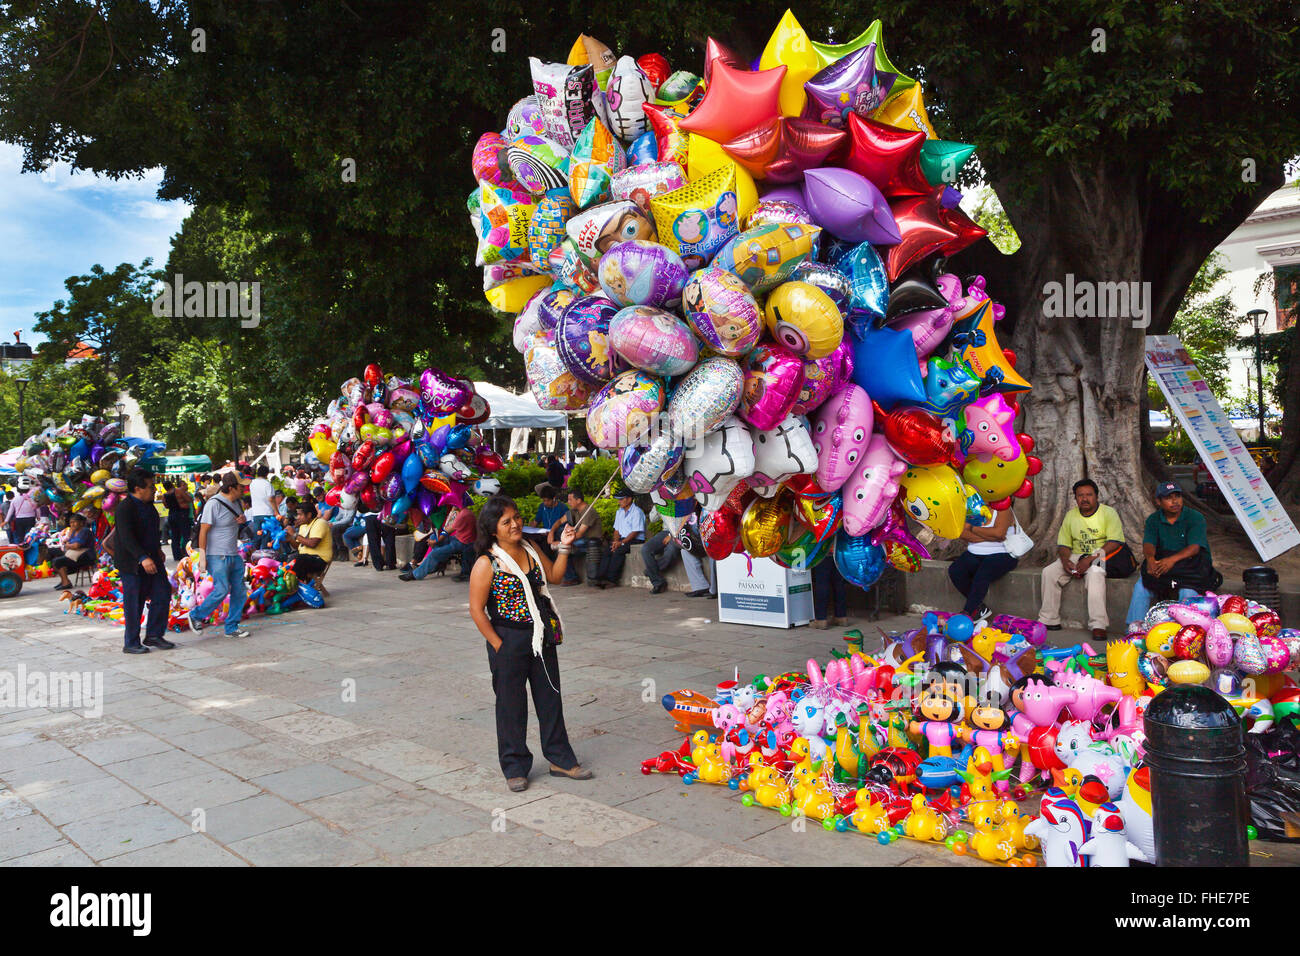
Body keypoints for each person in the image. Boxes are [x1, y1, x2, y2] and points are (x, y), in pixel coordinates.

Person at [468, 495, 592, 792]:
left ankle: (560, 758)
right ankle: (515, 766)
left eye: (517, 517)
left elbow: (556, 577)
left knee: (550, 698)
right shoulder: (488, 562)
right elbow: (476, 609)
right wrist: (498, 644)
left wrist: (565, 546)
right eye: (506, 521)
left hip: (541, 635)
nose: (515, 524)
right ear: (493, 529)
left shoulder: (531, 548)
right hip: (508, 639)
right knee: (511, 706)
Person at [1037, 479, 1124, 639]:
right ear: (1075, 498)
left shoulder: (1108, 512)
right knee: (1049, 572)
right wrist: (1065, 561)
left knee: (1095, 574)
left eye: (1089, 495)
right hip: (1076, 554)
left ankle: (1098, 625)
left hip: (1101, 553)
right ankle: (1049, 619)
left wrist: (1089, 560)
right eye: (1080, 495)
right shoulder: (1071, 515)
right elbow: (1063, 545)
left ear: (1096, 496)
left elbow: (1114, 542)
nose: (1084, 499)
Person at [1127, 482, 1215, 625]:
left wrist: (1171, 560)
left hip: (1190, 568)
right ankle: (1134, 631)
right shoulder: (1153, 519)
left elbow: (1194, 548)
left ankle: (1184, 635)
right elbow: (1149, 544)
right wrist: (1150, 559)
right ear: (1158, 502)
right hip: (1165, 567)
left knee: (1188, 593)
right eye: (1169, 498)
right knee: (1141, 586)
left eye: (1178, 496)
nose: (1175, 501)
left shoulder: (1194, 517)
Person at [112, 468, 176, 654]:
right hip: (132, 563)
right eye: (150, 486)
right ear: (138, 488)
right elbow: (126, 537)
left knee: (162, 593)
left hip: (153, 559)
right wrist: (142, 557)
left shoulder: (149, 505)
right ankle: (131, 642)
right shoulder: (125, 508)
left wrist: (157, 551)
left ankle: (154, 634)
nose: (155, 489)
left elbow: (152, 532)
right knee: (135, 602)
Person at [186, 472, 252, 638]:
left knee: (239, 591)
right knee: (221, 590)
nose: (244, 489)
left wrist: (241, 520)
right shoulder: (213, 504)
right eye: (241, 486)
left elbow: (234, 522)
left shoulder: (237, 502)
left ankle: (232, 627)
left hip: (233, 553)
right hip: (217, 555)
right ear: (231, 488)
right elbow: (203, 531)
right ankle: (196, 615)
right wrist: (202, 557)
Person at [948, 506, 1021, 622]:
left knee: (984, 572)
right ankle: (979, 607)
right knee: (955, 570)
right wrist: (990, 536)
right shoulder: (973, 508)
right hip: (975, 552)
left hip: (1003, 553)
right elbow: (963, 534)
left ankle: (968, 612)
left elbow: (999, 534)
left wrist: (972, 528)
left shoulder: (1003, 509)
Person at [642, 499, 711, 596]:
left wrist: (672, 535)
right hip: (665, 531)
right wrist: (657, 504)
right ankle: (657, 581)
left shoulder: (679, 498)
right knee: (646, 549)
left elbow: (685, 520)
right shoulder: (660, 500)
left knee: (672, 550)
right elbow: (653, 519)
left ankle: (652, 570)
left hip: (680, 531)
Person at [402, 498, 478, 581]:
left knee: (435, 553)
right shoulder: (464, 512)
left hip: (463, 543)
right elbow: (448, 526)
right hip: (459, 538)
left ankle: (416, 574)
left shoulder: (463, 515)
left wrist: (435, 542)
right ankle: (438, 563)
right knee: (433, 537)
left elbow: (447, 531)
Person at [593, 492, 645, 588]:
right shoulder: (619, 512)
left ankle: (611, 580)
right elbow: (616, 530)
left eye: (621, 499)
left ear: (629, 499)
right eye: (618, 499)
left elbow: (635, 532)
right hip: (622, 539)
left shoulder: (637, 512)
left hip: (635, 539)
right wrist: (615, 542)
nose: (619, 502)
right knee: (608, 550)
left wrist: (621, 543)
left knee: (618, 551)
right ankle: (600, 578)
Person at [555, 489, 602, 586]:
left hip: (590, 541)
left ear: (578, 500)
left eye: (570, 500)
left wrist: (563, 542)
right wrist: (551, 534)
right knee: (562, 546)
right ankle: (572, 577)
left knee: (564, 548)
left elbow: (580, 534)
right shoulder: (574, 511)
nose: (568, 502)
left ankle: (572, 578)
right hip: (580, 540)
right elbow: (560, 521)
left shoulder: (589, 511)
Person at [288, 502, 333, 596]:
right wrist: (289, 538)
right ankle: (291, 586)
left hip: (320, 560)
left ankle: (293, 589)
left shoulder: (320, 523)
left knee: (301, 559)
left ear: (309, 514)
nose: (298, 517)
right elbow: (299, 546)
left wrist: (295, 534)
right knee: (287, 559)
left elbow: (312, 544)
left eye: (300, 514)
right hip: (306, 558)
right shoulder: (303, 526)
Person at [49, 513, 96, 591]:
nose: (72, 524)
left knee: (57, 561)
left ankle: (66, 582)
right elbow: (67, 543)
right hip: (76, 554)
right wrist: (70, 538)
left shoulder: (84, 531)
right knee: (53, 556)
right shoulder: (74, 531)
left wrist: (69, 545)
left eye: (74, 522)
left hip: (86, 556)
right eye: (71, 523)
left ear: (81, 523)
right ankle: (64, 581)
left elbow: (76, 546)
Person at [812, 556, 849, 629]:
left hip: (823, 552)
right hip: (838, 553)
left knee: (822, 583)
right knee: (839, 584)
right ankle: (841, 617)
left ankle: (821, 619)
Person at [161, 479, 193, 561]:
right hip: (182, 514)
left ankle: (177, 555)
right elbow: (189, 499)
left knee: (175, 537)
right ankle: (186, 553)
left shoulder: (164, 496)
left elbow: (166, 506)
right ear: (172, 484)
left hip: (171, 515)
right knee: (186, 535)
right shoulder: (178, 491)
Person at [5, 478, 38, 545]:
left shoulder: (15, 499)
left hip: (19, 520)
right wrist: (38, 516)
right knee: (30, 537)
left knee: (20, 538)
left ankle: (22, 551)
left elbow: (10, 511)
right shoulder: (32, 498)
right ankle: (29, 550)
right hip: (31, 519)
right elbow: (37, 507)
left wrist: (6, 521)